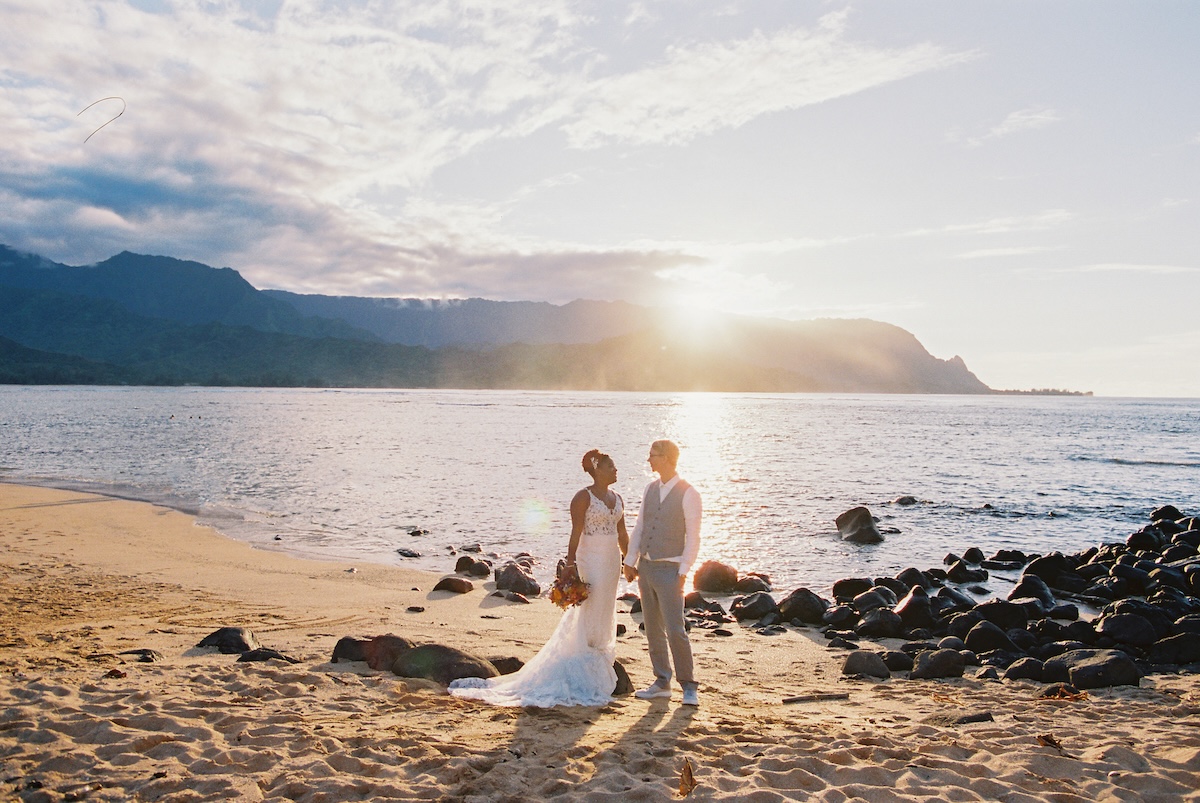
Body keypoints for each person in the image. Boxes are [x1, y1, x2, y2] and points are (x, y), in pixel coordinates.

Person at [449, 449, 629, 707]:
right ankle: (584, 659)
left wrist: (631, 560)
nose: (615, 470)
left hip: (612, 562)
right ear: (597, 469)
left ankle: (599, 655)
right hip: (592, 559)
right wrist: (570, 564)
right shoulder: (583, 497)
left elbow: (622, 533)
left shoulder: (618, 497)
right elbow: (576, 533)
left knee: (606, 607)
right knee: (591, 606)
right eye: (611, 466)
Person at [623, 439, 702, 706]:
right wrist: (630, 561)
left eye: (653, 455)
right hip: (646, 567)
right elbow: (641, 526)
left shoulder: (689, 493)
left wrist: (684, 569)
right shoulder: (650, 489)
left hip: (671, 568)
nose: (649, 460)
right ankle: (661, 681)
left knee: (675, 629)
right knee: (653, 629)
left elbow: (694, 536)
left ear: (667, 458)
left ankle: (689, 685)